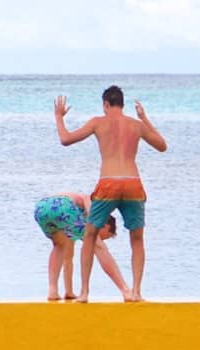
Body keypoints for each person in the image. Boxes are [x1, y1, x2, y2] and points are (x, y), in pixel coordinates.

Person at [55, 85, 168, 303]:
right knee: (137, 238)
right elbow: (162, 146)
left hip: (108, 182)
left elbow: (65, 139)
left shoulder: (98, 121)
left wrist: (59, 117)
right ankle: (136, 292)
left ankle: (85, 292)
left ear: (106, 104)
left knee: (89, 236)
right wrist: (144, 119)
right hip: (133, 182)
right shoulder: (136, 125)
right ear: (123, 105)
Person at [35, 192, 131, 301]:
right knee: (99, 246)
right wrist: (96, 239)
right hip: (63, 205)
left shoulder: (73, 220)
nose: (103, 239)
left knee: (59, 246)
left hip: (42, 207)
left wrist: (69, 292)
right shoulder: (90, 200)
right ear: (105, 225)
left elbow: (68, 259)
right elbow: (91, 214)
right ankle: (125, 289)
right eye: (105, 236)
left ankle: (53, 291)